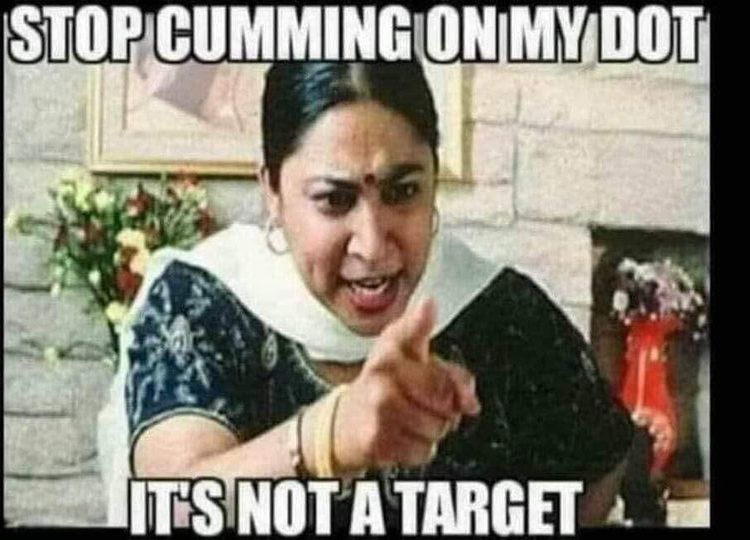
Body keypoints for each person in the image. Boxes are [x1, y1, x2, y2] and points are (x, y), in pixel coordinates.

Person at [97, 60, 633, 529]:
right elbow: (169, 502)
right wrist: (327, 437)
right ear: (273, 191)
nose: (373, 246)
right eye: (335, 200)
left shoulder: (497, 309)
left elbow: (601, 465)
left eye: (404, 192)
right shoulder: (204, 301)